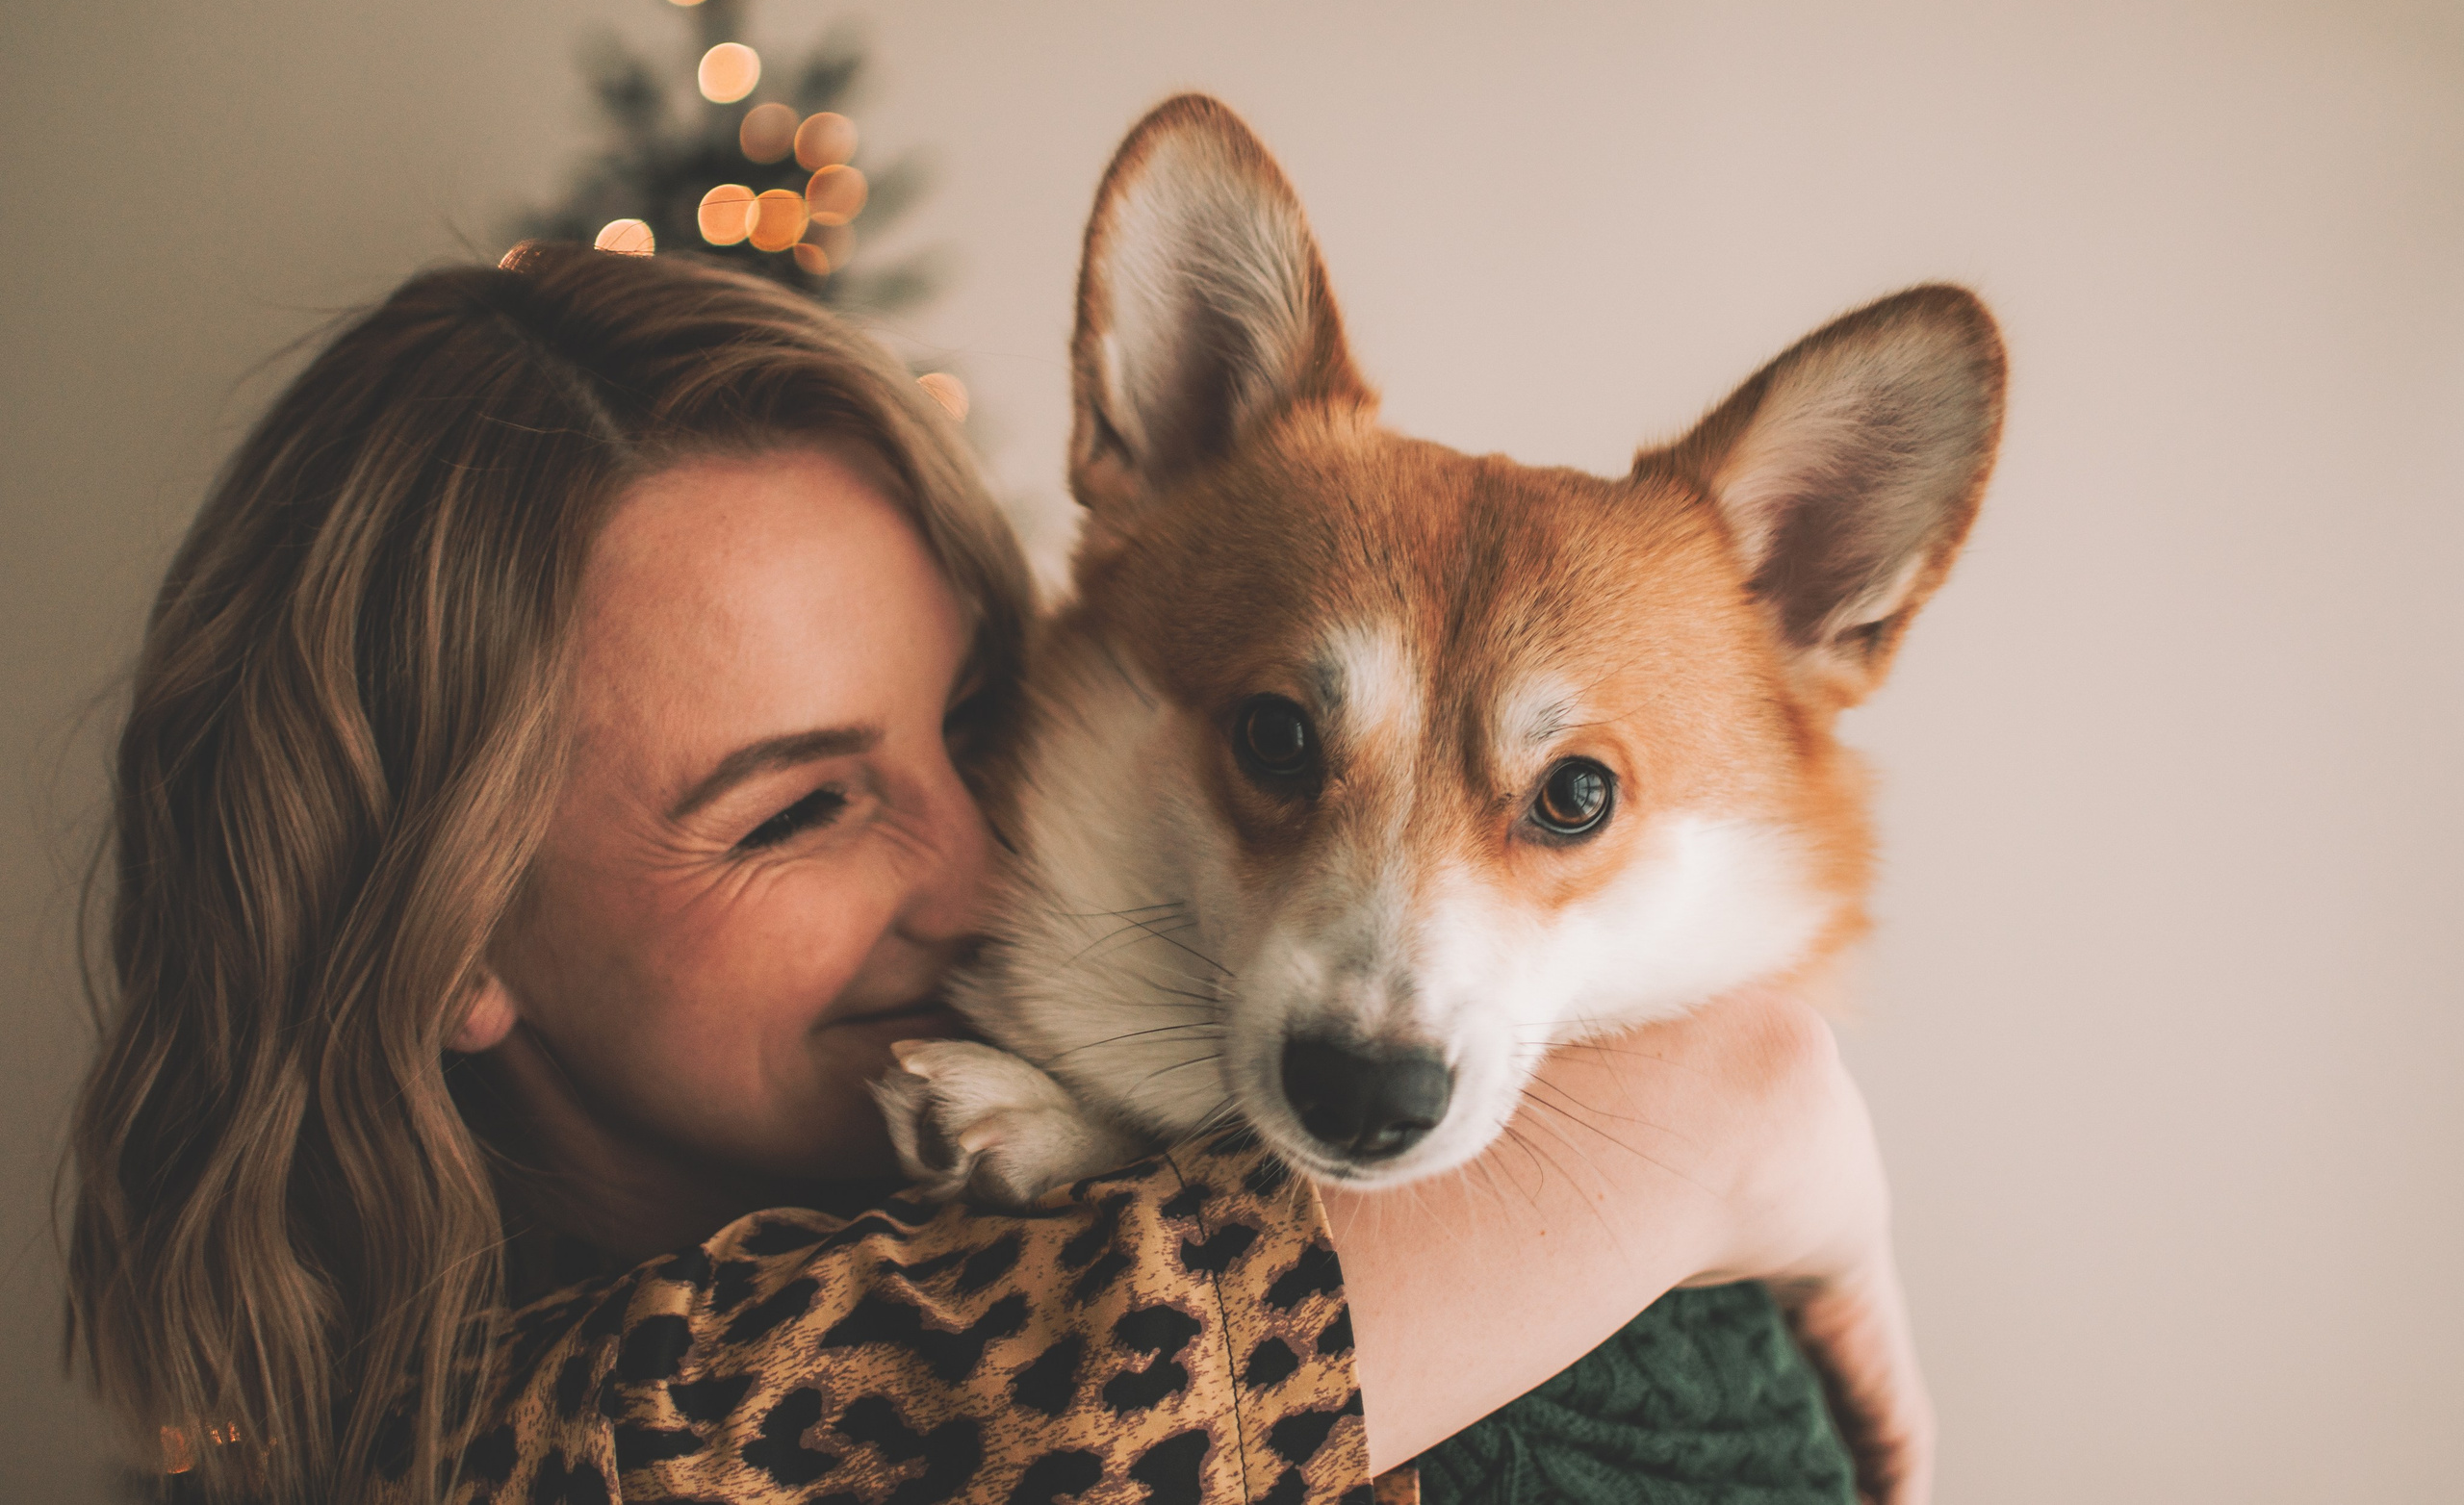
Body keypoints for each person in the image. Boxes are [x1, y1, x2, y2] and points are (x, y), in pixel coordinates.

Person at [64, 243, 1929, 1505]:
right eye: (791, 807)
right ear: (442, 927)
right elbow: (1057, 1386)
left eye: (981, 715)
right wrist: (1737, 1118)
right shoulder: (536, 1437)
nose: (986, 866)